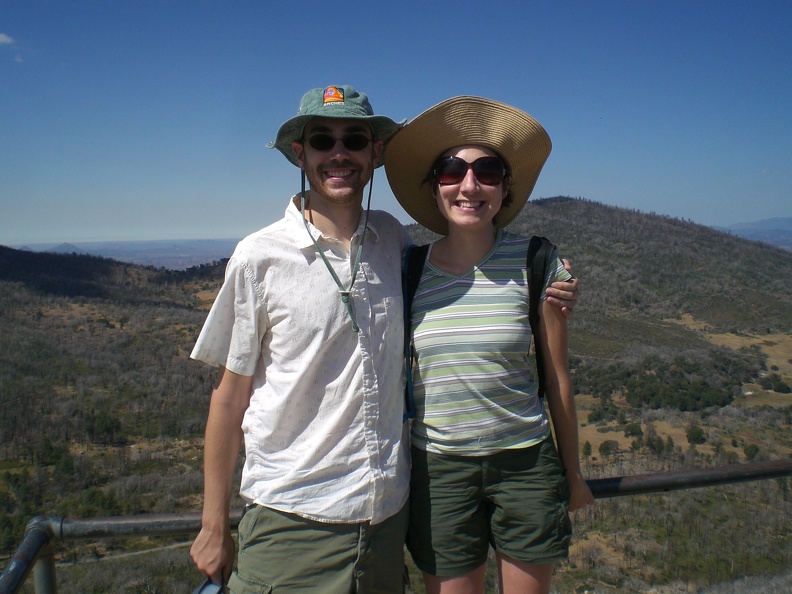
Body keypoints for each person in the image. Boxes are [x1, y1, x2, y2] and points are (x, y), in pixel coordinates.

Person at [189, 86, 581, 593]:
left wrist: (556, 275)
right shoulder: (258, 257)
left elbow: (467, 268)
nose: (338, 153)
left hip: (384, 514)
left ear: (375, 154)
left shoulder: (392, 241)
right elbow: (228, 399)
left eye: (354, 139)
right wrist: (214, 523)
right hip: (295, 515)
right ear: (299, 153)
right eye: (322, 140)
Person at [384, 96, 595, 594]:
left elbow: (558, 376)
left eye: (488, 171)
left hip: (525, 463)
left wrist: (573, 472)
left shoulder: (537, 261)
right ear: (434, 186)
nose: (469, 185)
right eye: (452, 170)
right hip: (439, 470)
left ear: (505, 188)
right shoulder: (408, 269)